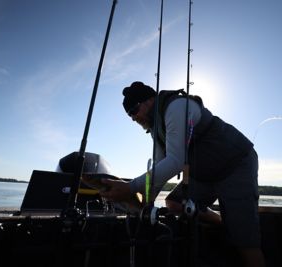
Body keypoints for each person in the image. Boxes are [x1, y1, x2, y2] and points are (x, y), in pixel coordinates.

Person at [100, 81, 266, 267]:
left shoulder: (176, 107)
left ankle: (237, 231)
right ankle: (225, 224)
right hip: (205, 174)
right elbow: (160, 166)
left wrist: (129, 187)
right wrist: (146, 201)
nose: (133, 117)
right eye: (129, 115)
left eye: (134, 110)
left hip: (235, 165)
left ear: (150, 100)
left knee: (245, 241)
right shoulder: (156, 129)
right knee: (174, 202)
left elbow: (175, 161)